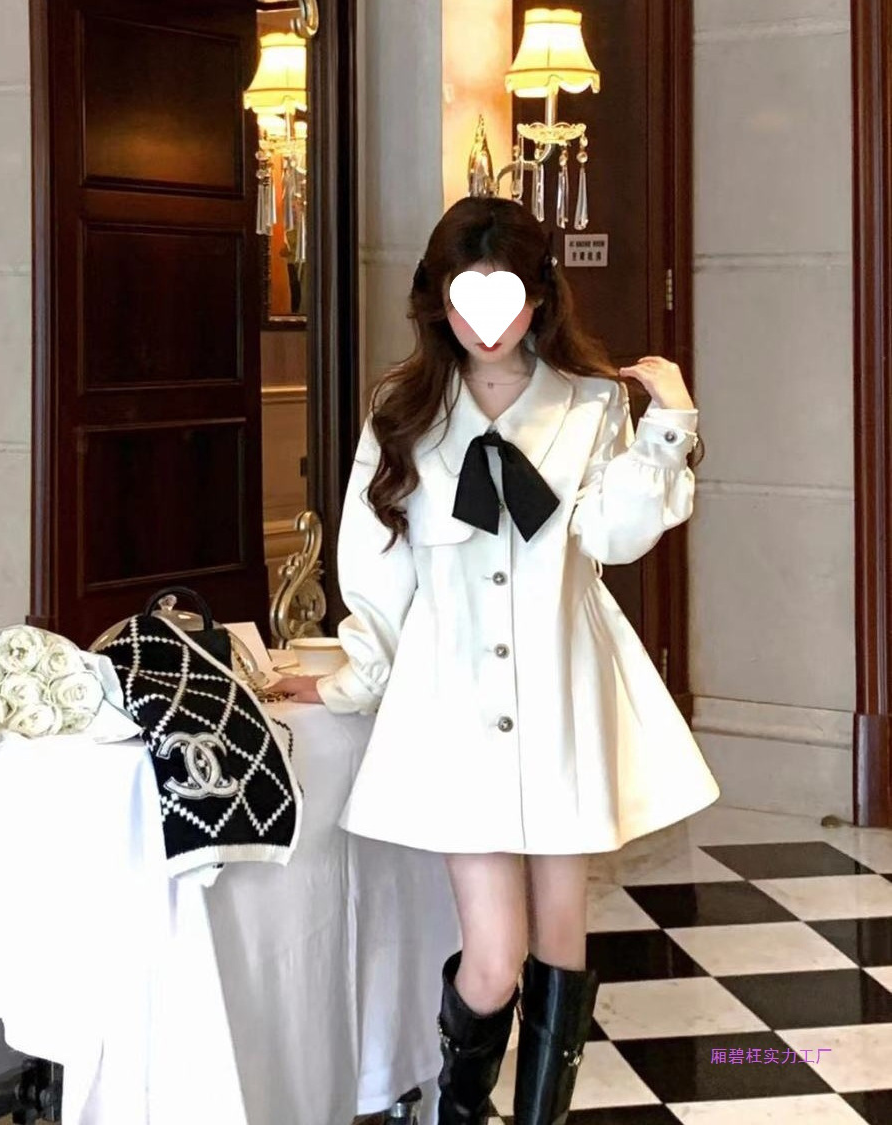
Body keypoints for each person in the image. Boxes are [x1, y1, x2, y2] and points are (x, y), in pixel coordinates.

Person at [274, 196, 720, 1125]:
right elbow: (379, 571)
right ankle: (458, 1108)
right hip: (453, 708)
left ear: (540, 296)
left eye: (507, 295)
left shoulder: (591, 403)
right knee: (493, 955)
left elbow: (615, 536)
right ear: (437, 299)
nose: (487, 319)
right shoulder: (401, 411)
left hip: (561, 698)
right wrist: (351, 679)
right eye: (465, 295)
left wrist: (668, 423)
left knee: (562, 942)